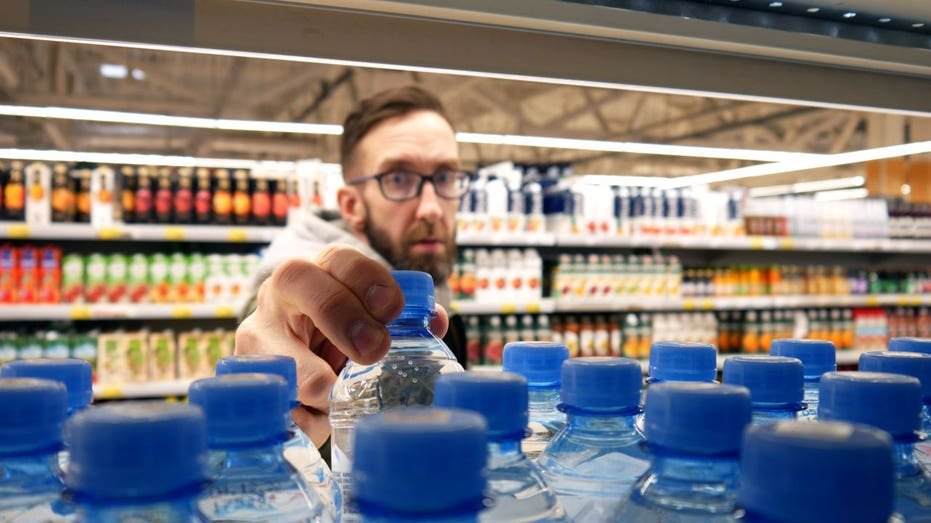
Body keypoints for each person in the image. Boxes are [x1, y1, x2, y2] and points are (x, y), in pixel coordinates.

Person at [235, 85, 470, 455]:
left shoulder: (432, 298)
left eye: (444, 178)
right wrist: (264, 380)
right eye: (398, 179)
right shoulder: (314, 306)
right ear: (351, 205)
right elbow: (270, 316)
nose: (431, 209)